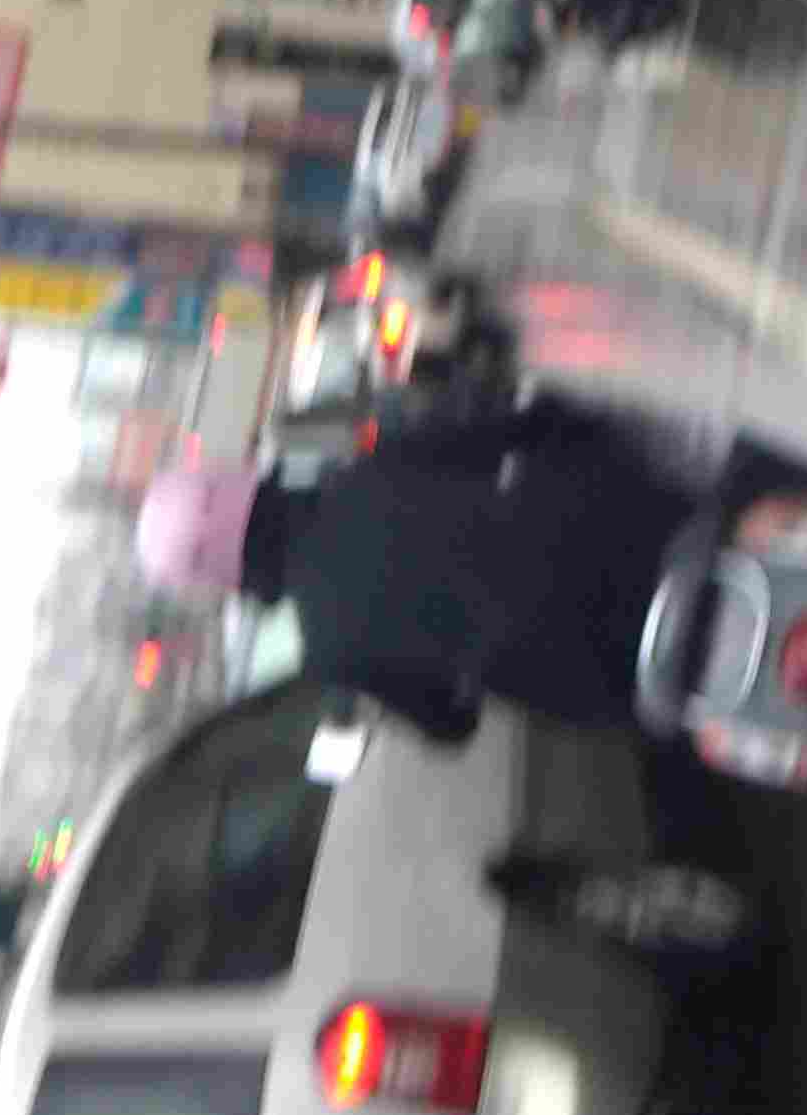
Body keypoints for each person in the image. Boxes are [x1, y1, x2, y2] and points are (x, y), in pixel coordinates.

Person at [137, 396, 753, 956]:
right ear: (243, 484)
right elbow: (527, 427)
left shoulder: (330, 650)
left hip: (623, 680)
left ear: (226, 580)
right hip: (656, 539)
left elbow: (448, 723)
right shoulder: (373, 469)